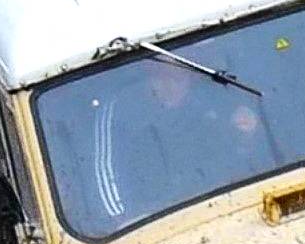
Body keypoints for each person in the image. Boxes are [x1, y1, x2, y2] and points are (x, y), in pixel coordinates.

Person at [85, 55, 272, 229]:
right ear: (146, 75)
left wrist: (246, 136)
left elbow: (243, 162)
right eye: (159, 79)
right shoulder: (120, 112)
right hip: (152, 221)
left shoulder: (211, 97)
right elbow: (104, 172)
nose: (169, 87)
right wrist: (123, 219)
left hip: (223, 210)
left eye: (177, 79)